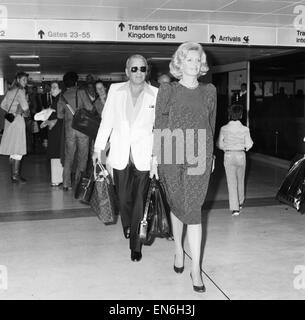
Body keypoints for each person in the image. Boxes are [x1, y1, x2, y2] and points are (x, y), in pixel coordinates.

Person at [150, 42, 217, 293]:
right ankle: (179, 249)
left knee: (194, 208)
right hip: (172, 146)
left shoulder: (209, 90)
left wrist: (212, 157)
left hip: (200, 149)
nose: (194, 64)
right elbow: (159, 122)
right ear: (180, 63)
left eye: (198, 60)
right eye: (189, 60)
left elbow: (210, 123)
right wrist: (155, 157)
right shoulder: (168, 90)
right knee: (177, 204)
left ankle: (196, 268)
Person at [93, 54, 158, 262]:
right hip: (119, 154)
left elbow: (159, 128)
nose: (138, 73)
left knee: (140, 198)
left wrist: (157, 157)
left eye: (142, 69)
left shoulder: (156, 94)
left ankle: (136, 245)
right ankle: (128, 223)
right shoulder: (115, 91)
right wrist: (99, 151)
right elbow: (107, 122)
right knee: (123, 198)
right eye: (134, 69)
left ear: (147, 70)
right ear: (126, 70)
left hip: (144, 156)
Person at [57, 71, 93, 191]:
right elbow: (90, 108)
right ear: (76, 81)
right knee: (82, 157)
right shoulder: (81, 92)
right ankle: (78, 183)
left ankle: (66, 184)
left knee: (69, 157)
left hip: (69, 129)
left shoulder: (62, 96)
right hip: (82, 129)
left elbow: (60, 115)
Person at [217, 104, 253, 216]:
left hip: (228, 155)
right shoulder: (245, 129)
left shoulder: (224, 128)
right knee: (241, 180)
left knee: (231, 182)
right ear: (241, 115)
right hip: (241, 155)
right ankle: (240, 202)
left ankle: (235, 208)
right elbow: (249, 144)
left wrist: (225, 149)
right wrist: (244, 148)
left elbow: (219, 143)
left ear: (229, 115)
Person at [0, 72, 30, 183]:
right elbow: (25, 107)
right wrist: (25, 108)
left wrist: (11, 110)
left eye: (26, 80)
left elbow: (2, 105)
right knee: (18, 148)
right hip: (17, 121)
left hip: (9, 121)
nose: (25, 82)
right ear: (18, 80)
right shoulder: (21, 91)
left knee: (13, 147)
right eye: (23, 80)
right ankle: (15, 175)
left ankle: (13, 175)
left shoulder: (10, 91)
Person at [41, 81, 63, 186]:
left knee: (56, 152)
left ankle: (57, 179)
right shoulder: (57, 99)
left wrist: (48, 122)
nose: (51, 90)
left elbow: (59, 118)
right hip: (55, 130)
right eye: (51, 88)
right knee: (56, 153)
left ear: (60, 89)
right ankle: (57, 178)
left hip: (58, 131)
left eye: (54, 87)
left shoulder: (59, 99)